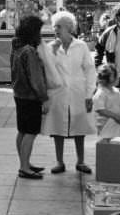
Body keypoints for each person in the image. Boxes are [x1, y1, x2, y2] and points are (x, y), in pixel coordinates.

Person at [40, 11, 96, 174]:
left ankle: (81, 161)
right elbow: (46, 70)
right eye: (54, 26)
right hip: (58, 93)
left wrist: (89, 94)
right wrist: (53, 52)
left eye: (59, 26)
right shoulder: (51, 47)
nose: (55, 29)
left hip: (78, 92)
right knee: (58, 127)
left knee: (79, 126)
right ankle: (59, 162)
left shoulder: (81, 46)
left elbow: (90, 70)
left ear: (69, 28)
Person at [11, 15, 49, 179]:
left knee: (22, 131)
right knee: (31, 132)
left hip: (19, 94)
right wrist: (44, 98)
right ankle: (24, 167)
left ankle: (24, 162)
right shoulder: (30, 51)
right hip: (30, 96)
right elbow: (36, 78)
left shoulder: (17, 47)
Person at [92, 63, 120, 141]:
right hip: (104, 125)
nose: (119, 77)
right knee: (106, 142)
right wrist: (115, 116)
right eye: (117, 76)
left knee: (117, 141)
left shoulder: (117, 91)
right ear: (111, 78)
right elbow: (100, 110)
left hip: (116, 123)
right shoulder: (101, 93)